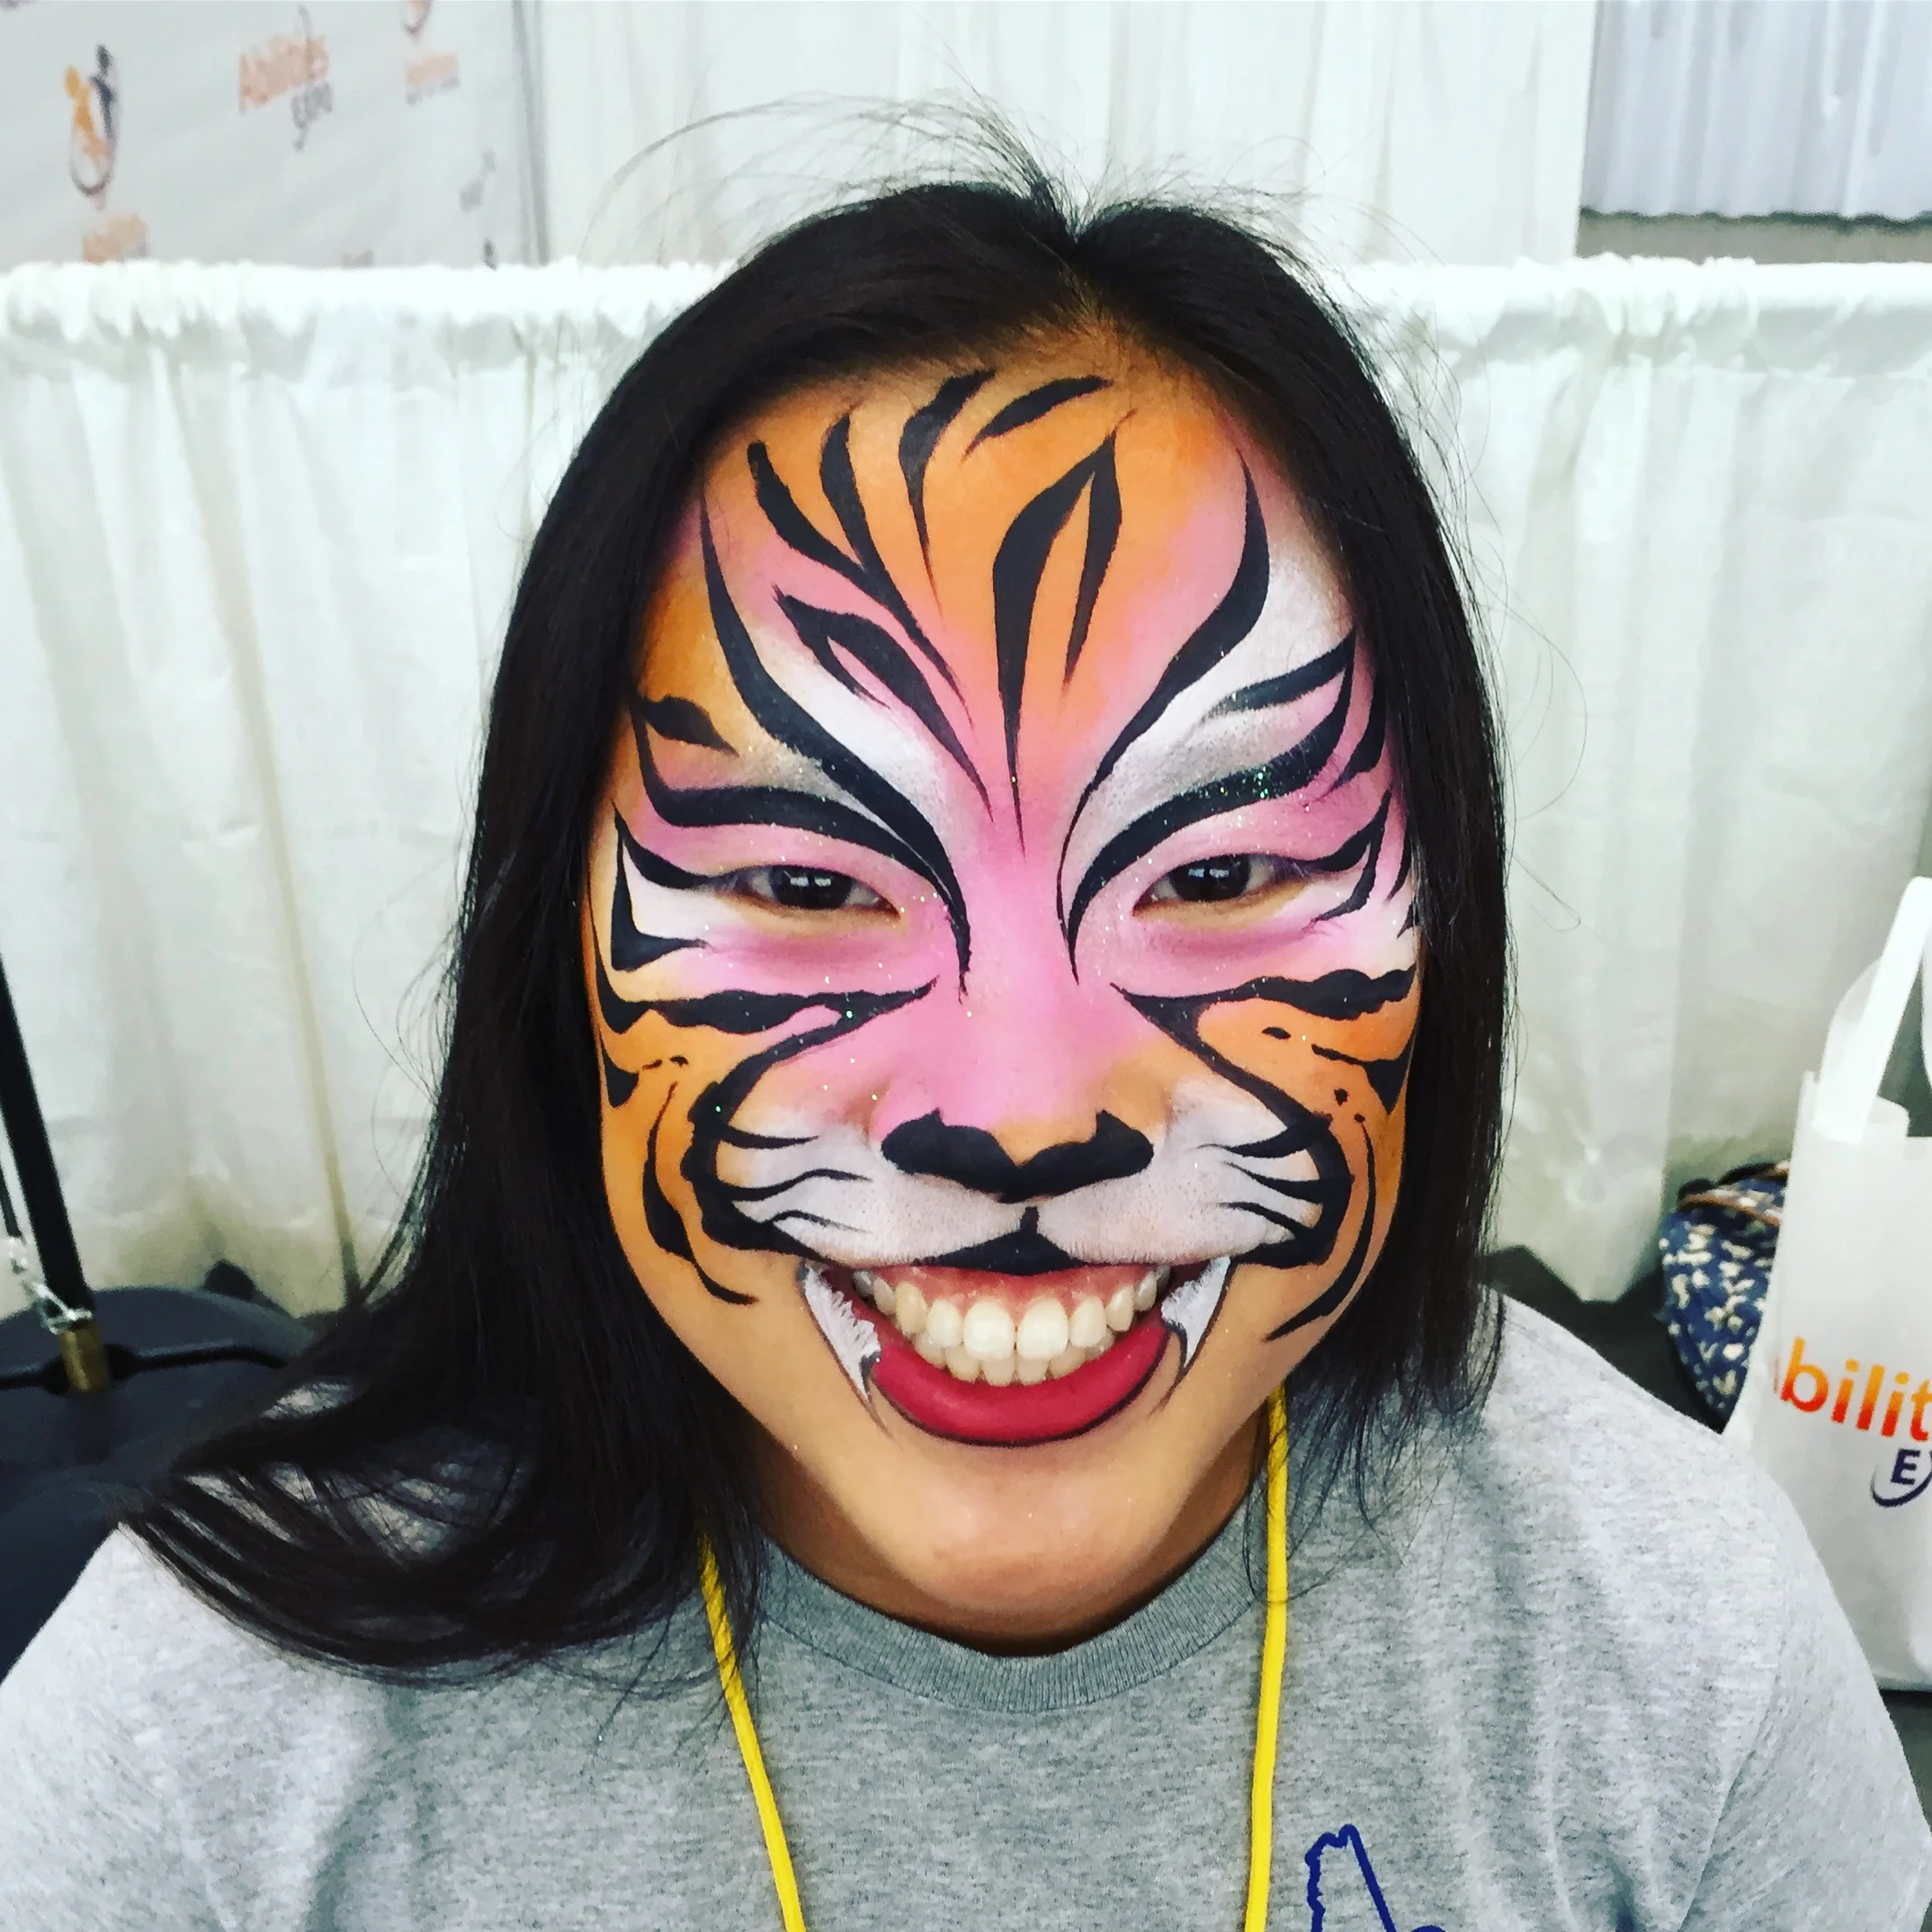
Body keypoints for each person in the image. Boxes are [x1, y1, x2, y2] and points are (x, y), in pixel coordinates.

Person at [2, 162, 1926, 1932]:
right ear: (556, 958)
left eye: (1224, 868)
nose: (1021, 1117)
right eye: (803, 880)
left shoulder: (1684, 1649)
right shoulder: (198, 1750)